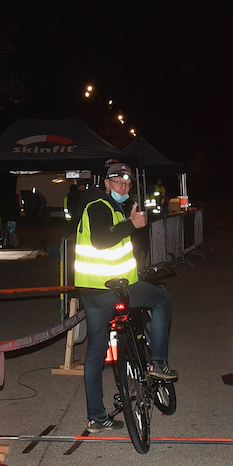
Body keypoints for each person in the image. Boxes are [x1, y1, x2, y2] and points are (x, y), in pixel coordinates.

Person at [75, 163, 176, 433]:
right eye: (118, 182)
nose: (124, 188)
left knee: (95, 353)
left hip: (91, 291)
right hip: (114, 289)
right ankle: (157, 361)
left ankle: (96, 417)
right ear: (106, 183)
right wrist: (131, 224)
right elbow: (100, 241)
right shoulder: (99, 205)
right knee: (162, 299)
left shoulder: (108, 206)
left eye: (128, 184)